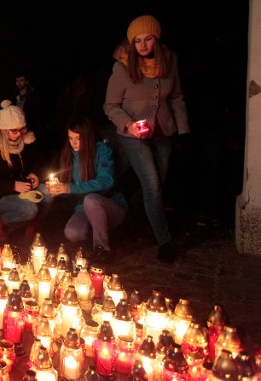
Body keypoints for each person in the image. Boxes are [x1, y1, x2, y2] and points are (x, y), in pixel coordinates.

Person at [103, 14, 191, 264]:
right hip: (134, 135)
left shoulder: (169, 60)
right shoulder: (122, 66)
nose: (143, 45)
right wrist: (128, 124)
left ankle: (130, 216)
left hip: (162, 132)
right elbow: (110, 105)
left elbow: (176, 97)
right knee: (152, 185)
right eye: (137, 40)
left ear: (157, 38)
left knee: (156, 186)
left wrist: (183, 131)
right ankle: (165, 242)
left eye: (148, 39)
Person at [48, 116, 128, 264]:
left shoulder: (102, 150)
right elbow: (71, 190)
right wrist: (58, 190)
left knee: (90, 199)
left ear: (87, 136)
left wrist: (70, 188)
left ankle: (102, 249)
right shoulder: (69, 155)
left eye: (78, 138)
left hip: (109, 205)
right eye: (70, 138)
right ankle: (99, 230)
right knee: (72, 233)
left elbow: (106, 181)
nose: (74, 143)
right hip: (84, 208)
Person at [0, 100, 49, 242]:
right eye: (14, 131)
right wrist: (12, 185)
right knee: (30, 209)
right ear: (3, 129)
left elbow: (35, 162)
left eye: (22, 129)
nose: (19, 135)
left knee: (48, 192)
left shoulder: (24, 140)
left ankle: (33, 227)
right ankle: (0, 221)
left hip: (23, 188)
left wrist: (33, 173)